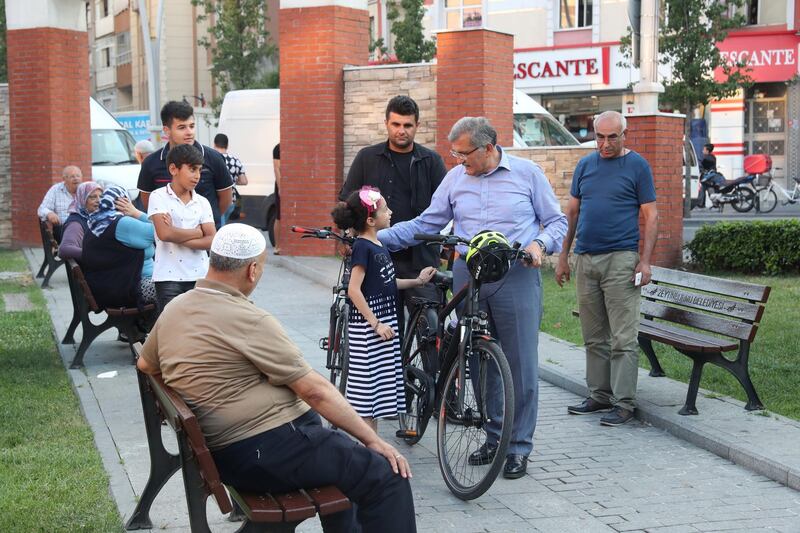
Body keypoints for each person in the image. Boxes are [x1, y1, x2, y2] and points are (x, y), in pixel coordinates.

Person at [136, 223, 417, 533]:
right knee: (388, 475)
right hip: (263, 451)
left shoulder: (176, 307)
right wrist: (374, 440)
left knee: (342, 467)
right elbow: (316, 392)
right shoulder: (249, 319)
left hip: (233, 450)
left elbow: (147, 364)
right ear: (252, 270)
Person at [378, 116, 567, 479]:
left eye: (464, 154)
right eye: (455, 153)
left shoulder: (527, 174)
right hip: (470, 273)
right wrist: (376, 238)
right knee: (478, 360)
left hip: (515, 274)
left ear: (489, 148)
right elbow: (425, 224)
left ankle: (518, 447)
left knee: (520, 363)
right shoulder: (455, 179)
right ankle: (494, 439)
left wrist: (539, 245)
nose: (458, 160)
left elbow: (556, 222)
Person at [555, 110, 658, 427]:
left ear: (624, 135)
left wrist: (645, 260)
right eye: (600, 136)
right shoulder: (586, 165)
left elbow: (652, 217)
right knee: (593, 335)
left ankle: (624, 403)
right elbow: (572, 213)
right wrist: (563, 256)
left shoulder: (637, 165)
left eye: (613, 136)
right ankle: (599, 396)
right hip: (586, 258)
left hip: (621, 260)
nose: (605, 143)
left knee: (623, 338)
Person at [331, 187, 436, 432]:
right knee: (367, 396)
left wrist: (418, 281)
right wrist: (375, 324)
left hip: (380, 327)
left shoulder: (377, 245)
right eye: (385, 209)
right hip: (369, 331)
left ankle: (373, 449)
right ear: (370, 220)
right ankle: (371, 452)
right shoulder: (363, 248)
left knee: (375, 395)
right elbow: (354, 290)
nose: (391, 212)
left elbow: (387, 283)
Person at [339, 95, 446, 334]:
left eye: (407, 125)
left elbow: (447, 207)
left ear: (417, 126)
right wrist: (346, 234)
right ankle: (391, 371)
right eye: (396, 124)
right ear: (386, 123)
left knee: (430, 332)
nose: (401, 131)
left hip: (421, 259)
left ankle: (427, 372)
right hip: (376, 260)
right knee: (382, 334)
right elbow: (347, 201)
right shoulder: (367, 158)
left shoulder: (432, 162)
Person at [137, 101, 233, 228]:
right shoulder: (151, 163)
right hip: (167, 238)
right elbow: (148, 202)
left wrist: (207, 220)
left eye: (192, 126)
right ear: (167, 130)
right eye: (182, 127)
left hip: (207, 236)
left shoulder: (213, 158)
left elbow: (226, 198)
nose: (189, 132)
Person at [147, 144, 216, 311]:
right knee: (173, 330)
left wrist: (176, 235)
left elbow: (212, 240)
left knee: (199, 328)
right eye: (192, 169)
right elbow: (164, 234)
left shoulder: (202, 202)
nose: (197, 176)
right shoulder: (158, 196)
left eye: (200, 170)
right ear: (173, 169)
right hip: (169, 278)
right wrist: (197, 232)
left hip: (200, 275)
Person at [81, 185, 157, 308]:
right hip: (124, 287)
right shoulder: (119, 223)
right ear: (124, 202)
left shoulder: (98, 219)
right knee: (170, 291)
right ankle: (160, 326)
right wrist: (136, 213)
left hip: (107, 284)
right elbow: (160, 231)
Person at [58, 181, 103, 260]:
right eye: (93, 197)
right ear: (82, 199)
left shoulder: (90, 218)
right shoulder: (75, 223)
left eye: (101, 196)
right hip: (90, 270)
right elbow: (64, 249)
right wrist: (97, 255)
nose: (99, 201)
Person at [37, 165, 83, 240]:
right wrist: (49, 213)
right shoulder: (55, 190)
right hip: (63, 229)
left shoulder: (85, 190)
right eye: (72, 176)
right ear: (64, 179)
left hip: (82, 228)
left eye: (78, 176)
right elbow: (42, 209)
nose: (76, 179)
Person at [213, 133, 248, 226]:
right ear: (227, 145)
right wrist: (232, 180)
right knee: (222, 223)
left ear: (214, 144)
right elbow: (244, 181)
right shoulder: (235, 160)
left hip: (216, 199)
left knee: (219, 226)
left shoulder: (211, 158)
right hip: (231, 199)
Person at [272, 143, 281, 254]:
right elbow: (276, 168)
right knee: (279, 216)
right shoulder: (278, 148)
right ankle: (277, 246)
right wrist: (280, 187)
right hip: (281, 184)